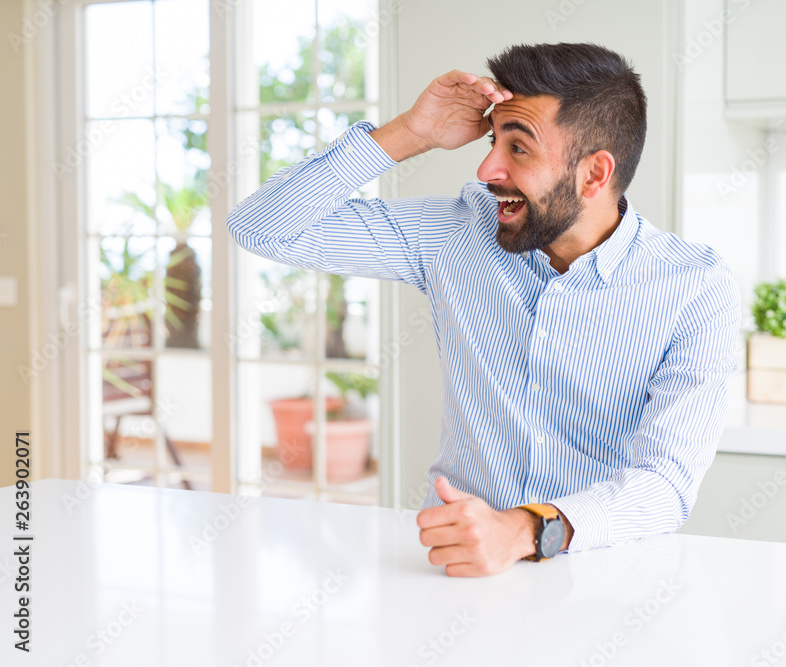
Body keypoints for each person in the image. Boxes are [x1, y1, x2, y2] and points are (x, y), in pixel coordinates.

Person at [227, 42, 741, 577]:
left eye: (519, 148)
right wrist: (411, 134)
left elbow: (666, 482)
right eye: (494, 141)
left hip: (597, 579)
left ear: (594, 174)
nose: (486, 169)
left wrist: (523, 530)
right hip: (449, 574)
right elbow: (262, 228)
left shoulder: (694, 287)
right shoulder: (458, 232)